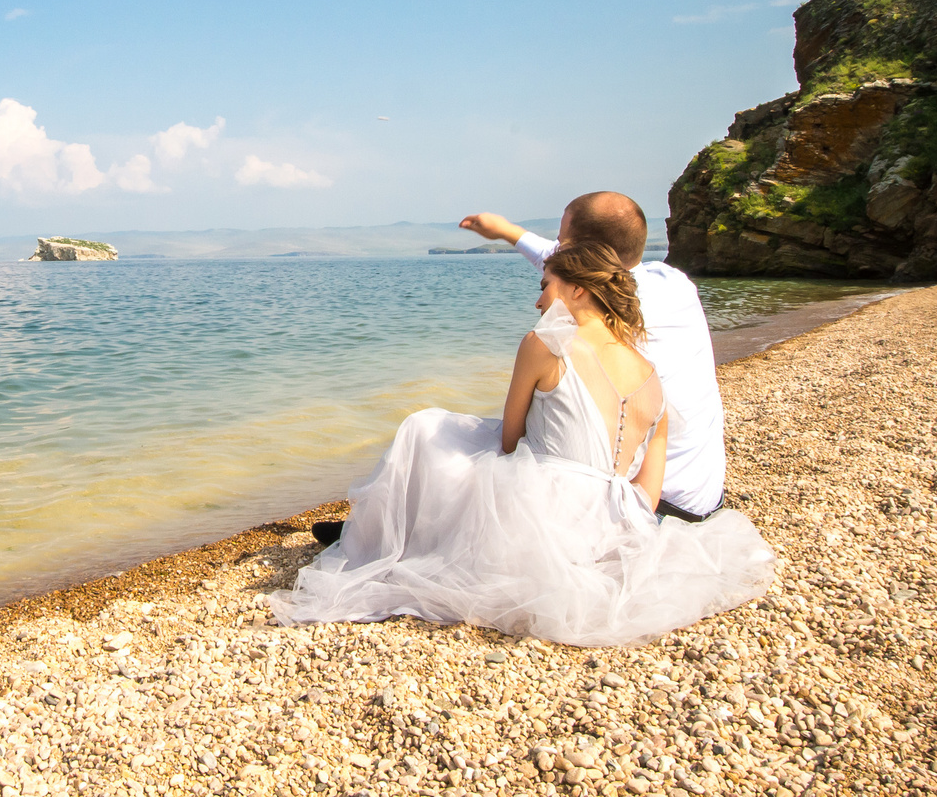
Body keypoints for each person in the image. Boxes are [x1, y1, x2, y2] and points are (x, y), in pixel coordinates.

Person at [272, 242, 775, 647]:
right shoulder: (651, 377)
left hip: (547, 503)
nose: (538, 301)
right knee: (448, 439)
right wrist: (621, 526)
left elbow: (510, 440)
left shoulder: (546, 342)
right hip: (616, 515)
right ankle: (379, 532)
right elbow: (647, 490)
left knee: (426, 428)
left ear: (576, 290)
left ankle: (375, 537)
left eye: (545, 286)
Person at [459, 193, 729, 522]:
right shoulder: (674, 283)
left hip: (646, 509)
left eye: (562, 242)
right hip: (701, 496)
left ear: (586, 256)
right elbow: (567, 269)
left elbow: (511, 444)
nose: (557, 248)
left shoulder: (590, 327)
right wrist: (507, 231)